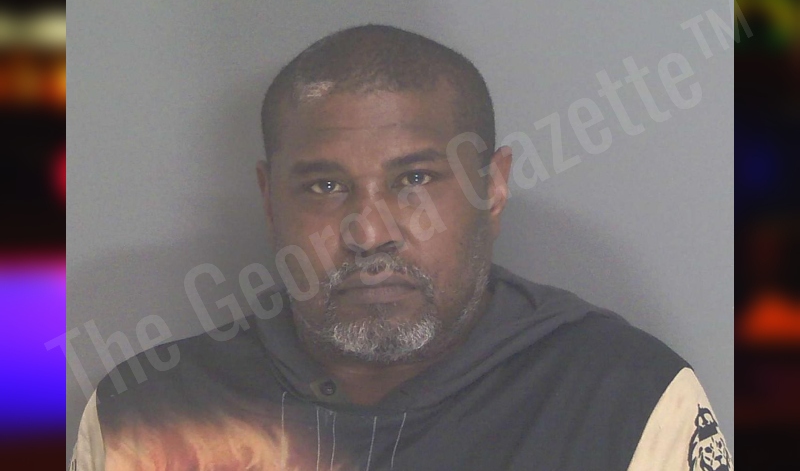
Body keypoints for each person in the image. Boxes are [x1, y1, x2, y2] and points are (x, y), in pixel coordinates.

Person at [71, 25, 731, 470]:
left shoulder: (627, 399)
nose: (369, 232)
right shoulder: (147, 413)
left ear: (492, 187)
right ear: (270, 201)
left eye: (415, 180)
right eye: (326, 186)